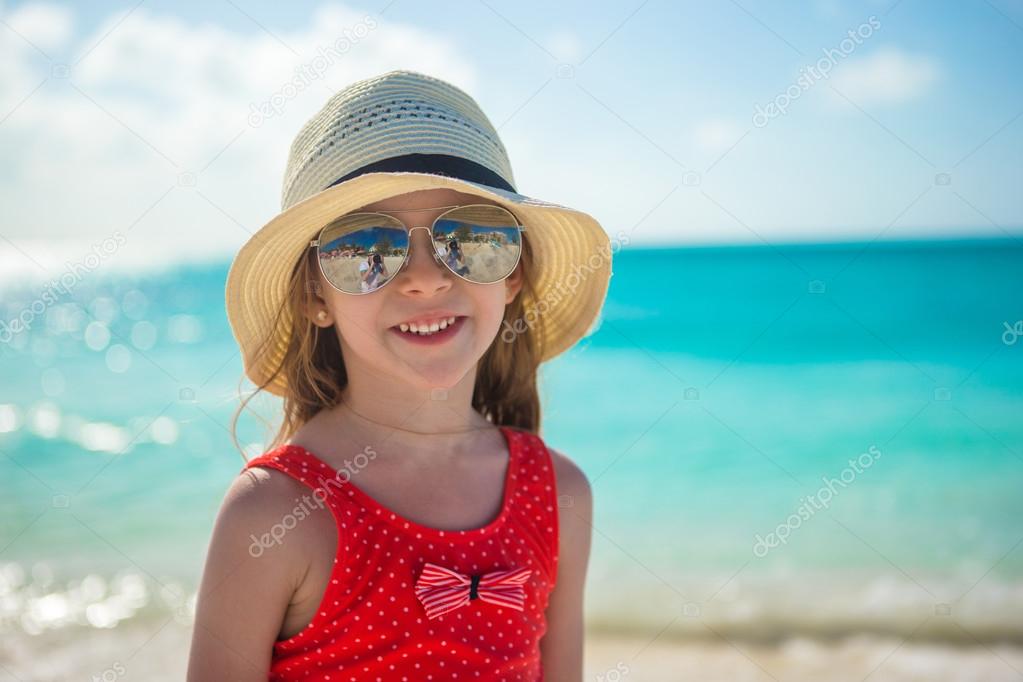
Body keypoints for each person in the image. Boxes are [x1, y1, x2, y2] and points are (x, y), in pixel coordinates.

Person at [190, 69, 612, 682]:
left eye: (470, 238)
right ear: (316, 295)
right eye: (366, 248)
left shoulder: (559, 495)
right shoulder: (276, 514)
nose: (424, 278)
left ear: (514, 273)